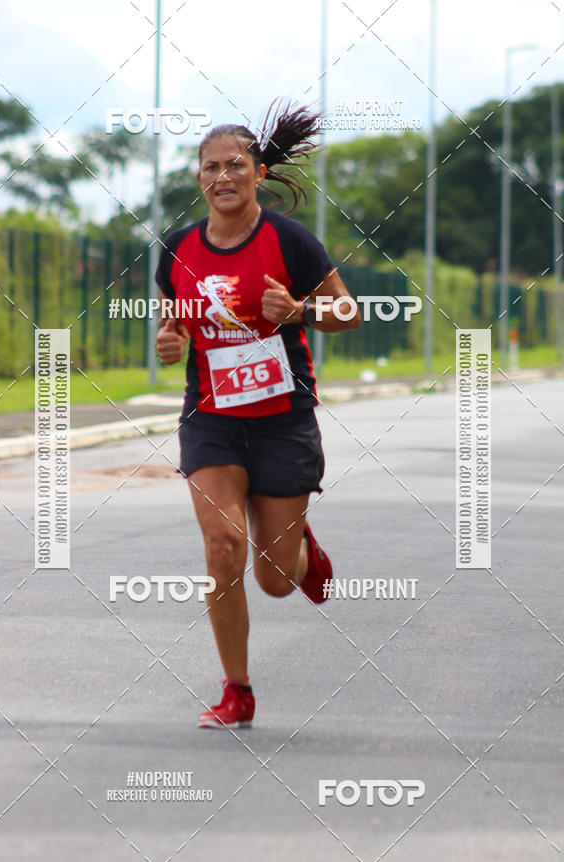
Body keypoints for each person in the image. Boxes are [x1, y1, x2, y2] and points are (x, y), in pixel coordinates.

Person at [155, 100, 360, 729]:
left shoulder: (289, 241)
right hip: (211, 418)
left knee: (274, 578)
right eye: (211, 167)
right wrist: (169, 342)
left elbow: (349, 314)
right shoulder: (177, 249)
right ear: (199, 179)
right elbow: (175, 325)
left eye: (235, 165)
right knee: (222, 547)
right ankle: (236, 689)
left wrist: (299, 313)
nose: (223, 176)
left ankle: (300, 551)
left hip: (282, 418)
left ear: (258, 172)